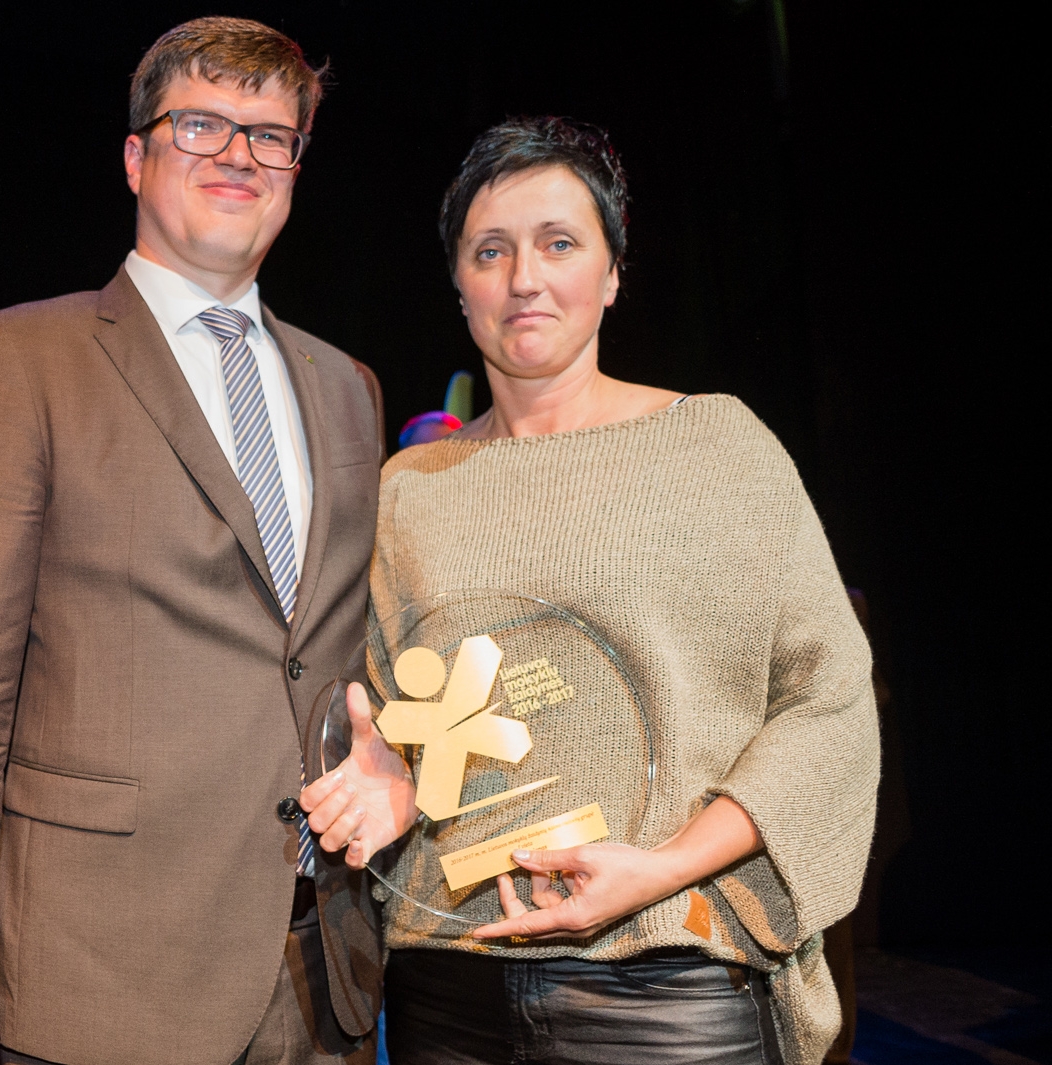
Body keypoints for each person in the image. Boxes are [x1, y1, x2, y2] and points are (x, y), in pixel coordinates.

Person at [301, 117, 878, 1065]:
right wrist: (386, 771)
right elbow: (389, 707)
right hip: (448, 987)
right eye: (491, 251)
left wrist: (663, 868)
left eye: (559, 244)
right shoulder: (406, 490)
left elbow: (829, 701)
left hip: (666, 982)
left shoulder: (716, 448)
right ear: (459, 284)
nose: (524, 278)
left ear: (612, 273)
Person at [0, 17, 386, 1065]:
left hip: (317, 993)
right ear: (134, 157)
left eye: (271, 135)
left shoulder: (348, 387)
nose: (238, 155)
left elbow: (339, 660)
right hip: (98, 991)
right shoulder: (20, 361)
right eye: (200, 125)